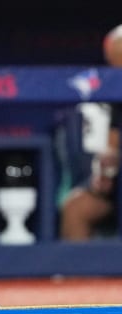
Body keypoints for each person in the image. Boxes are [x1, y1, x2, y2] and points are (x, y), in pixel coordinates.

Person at [60, 24, 122, 241]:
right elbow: (112, 146)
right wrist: (107, 168)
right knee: (76, 209)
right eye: (116, 59)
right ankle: (74, 275)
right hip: (114, 191)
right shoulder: (112, 97)